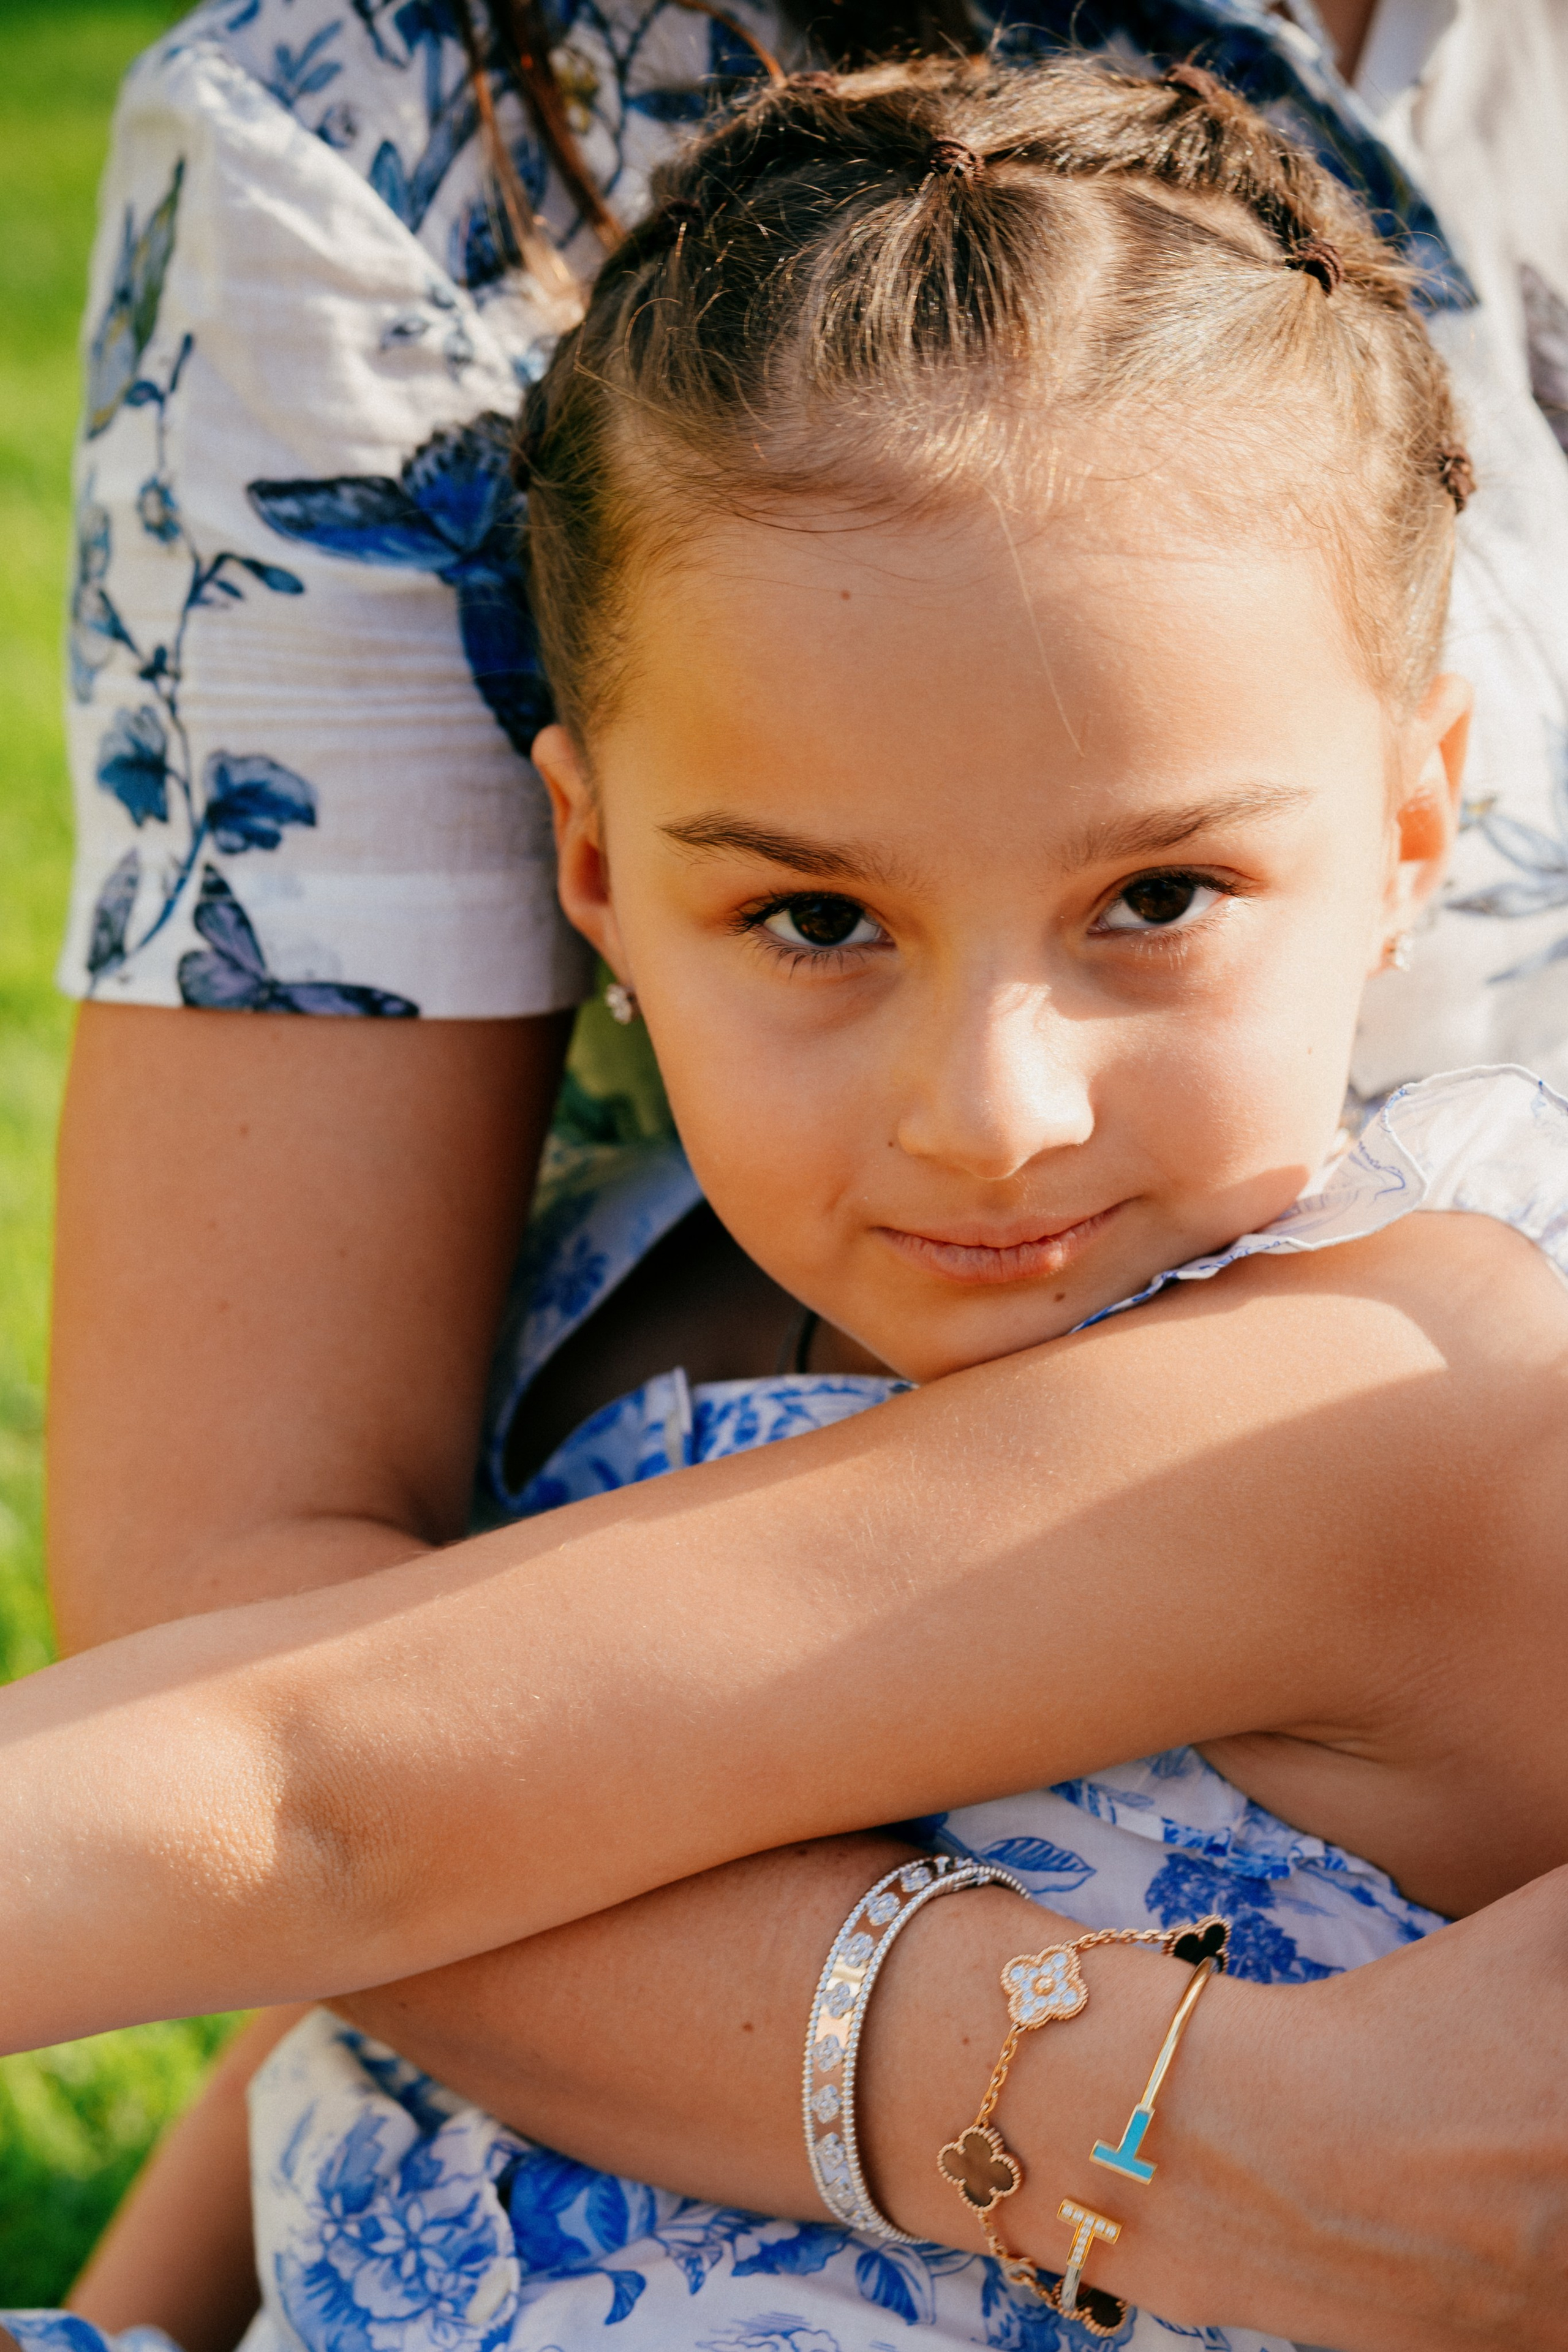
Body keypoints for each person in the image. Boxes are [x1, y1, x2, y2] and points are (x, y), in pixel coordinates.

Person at [9, 45, 1568, 2350]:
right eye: (818, 923)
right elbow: (367, 1985)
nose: (995, 1111)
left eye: (1158, 896)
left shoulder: (1380, 1403)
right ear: (592, 866)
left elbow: (335, 1812)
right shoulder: (612, 1297)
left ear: (1414, 829)